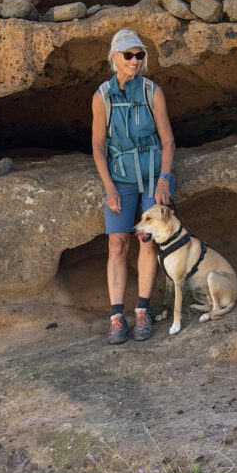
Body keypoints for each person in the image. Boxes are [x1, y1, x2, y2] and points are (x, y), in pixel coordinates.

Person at [91, 29, 176, 344]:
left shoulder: (152, 91)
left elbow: (167, 141)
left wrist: (164, 180)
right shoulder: (102, 96)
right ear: (114, 57)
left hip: (153, 174)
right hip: (121, 175)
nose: (135, 60)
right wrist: (109, 188)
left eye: (139, 55)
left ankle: (142, 311)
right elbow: (98, 146)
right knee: (117, 243)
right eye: (128, 55)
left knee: (147, 238)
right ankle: (116, 316)